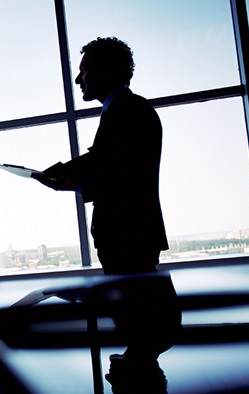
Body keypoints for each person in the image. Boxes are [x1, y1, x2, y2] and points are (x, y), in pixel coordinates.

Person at [34, 37, 168, 274]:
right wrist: (72, 180)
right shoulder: (125, 109)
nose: (77, 79)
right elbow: (112, 166)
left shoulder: (128, 110)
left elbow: (115, 170)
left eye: (84, 70)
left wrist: (67, 175)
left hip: (129, 237)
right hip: (129, 238)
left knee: (140, 306)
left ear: (106, 69)